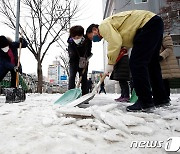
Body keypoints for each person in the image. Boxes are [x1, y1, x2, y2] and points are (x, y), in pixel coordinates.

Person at [86, 10, 169, 112]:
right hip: (154, 23)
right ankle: (161, 98)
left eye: (93, 37)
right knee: (152, 63)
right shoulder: (113, 26)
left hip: (147, 24)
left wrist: (110, 63)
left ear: (94, 29)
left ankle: (145, 101)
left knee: (136, 63)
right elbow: (122, 43)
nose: (95, 40)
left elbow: (115, 42)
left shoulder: (103, 26)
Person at [67, 25, 92, 95]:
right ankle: (70, 95)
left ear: (81, 35)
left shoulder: (87, 41)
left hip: (84, 61)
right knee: (72, 77)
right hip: (73, 62)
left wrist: (87, 57)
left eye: (78, 37)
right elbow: (70, 53)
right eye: (74, 37)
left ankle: (85, 94)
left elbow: (89, 51)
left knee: (83, 78)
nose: (76, 38)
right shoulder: (70, 42)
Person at [159, 34, 180, 101]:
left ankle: (166, 97)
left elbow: (169, 48)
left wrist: (161, 56)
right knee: (161, 80)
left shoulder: (165, 37)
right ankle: (163, 97)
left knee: (164, 80)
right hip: (158, 62)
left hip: (165, 61)